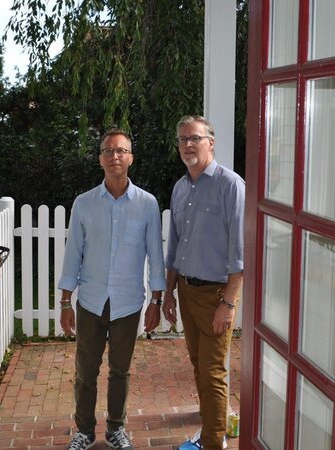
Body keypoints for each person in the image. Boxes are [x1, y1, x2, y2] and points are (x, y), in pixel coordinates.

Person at [59, 128, 165, 450]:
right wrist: (65, 301)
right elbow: (72, 253)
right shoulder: (84, 204)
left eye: (121, 151)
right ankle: (85, 430)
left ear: (130, 158)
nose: (114, 156)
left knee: (121, 370)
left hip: (128, 303)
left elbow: (155, 256)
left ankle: (116, 428)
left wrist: (156, 300)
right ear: (100, 158)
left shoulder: (147, 204)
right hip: (90, 301)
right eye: (108, 151)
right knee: (85, 371)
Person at [162, 115, 245, 450]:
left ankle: (214, 442)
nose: (188, 145)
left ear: (211, 141)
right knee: (199, 365)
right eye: (182, 140)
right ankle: (213, 428)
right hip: (185, 289)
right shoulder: (181, 188)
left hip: (216, 295)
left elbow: (240, 251)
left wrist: (228, 303)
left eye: (195, 138)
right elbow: (175, 246)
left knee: (212, 372)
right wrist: (167, 292)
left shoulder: (230, 185)